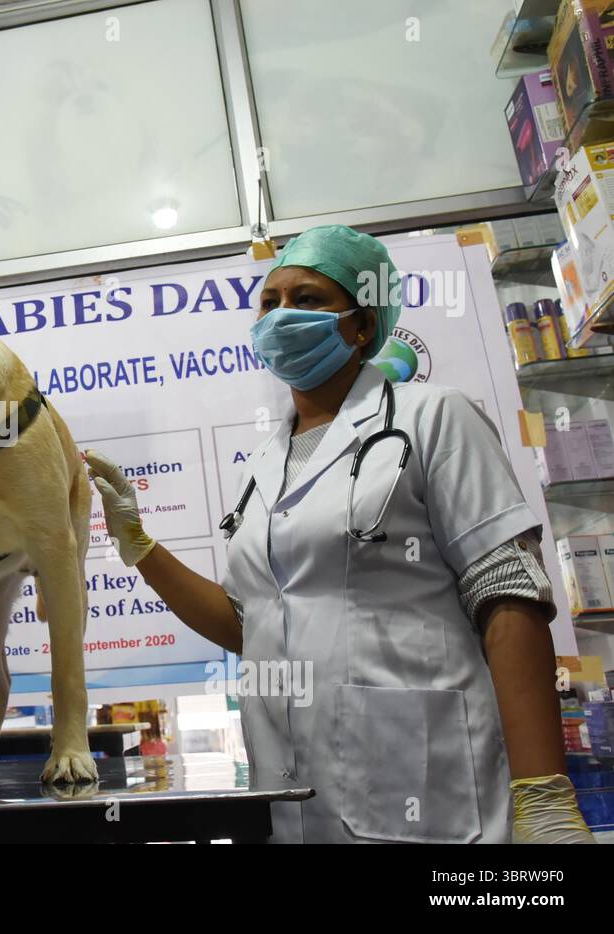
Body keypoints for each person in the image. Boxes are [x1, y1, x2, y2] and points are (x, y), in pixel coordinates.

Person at [86, 224, 594, 844]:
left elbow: (507, 590)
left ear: (362, 325)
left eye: (308, 299)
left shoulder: (432, 417)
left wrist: (542, 796)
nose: (281, 317)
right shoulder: (262, 466)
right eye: (269, 303)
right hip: (292, 801)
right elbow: (252, 626)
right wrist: (137, 544)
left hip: (426, 787)